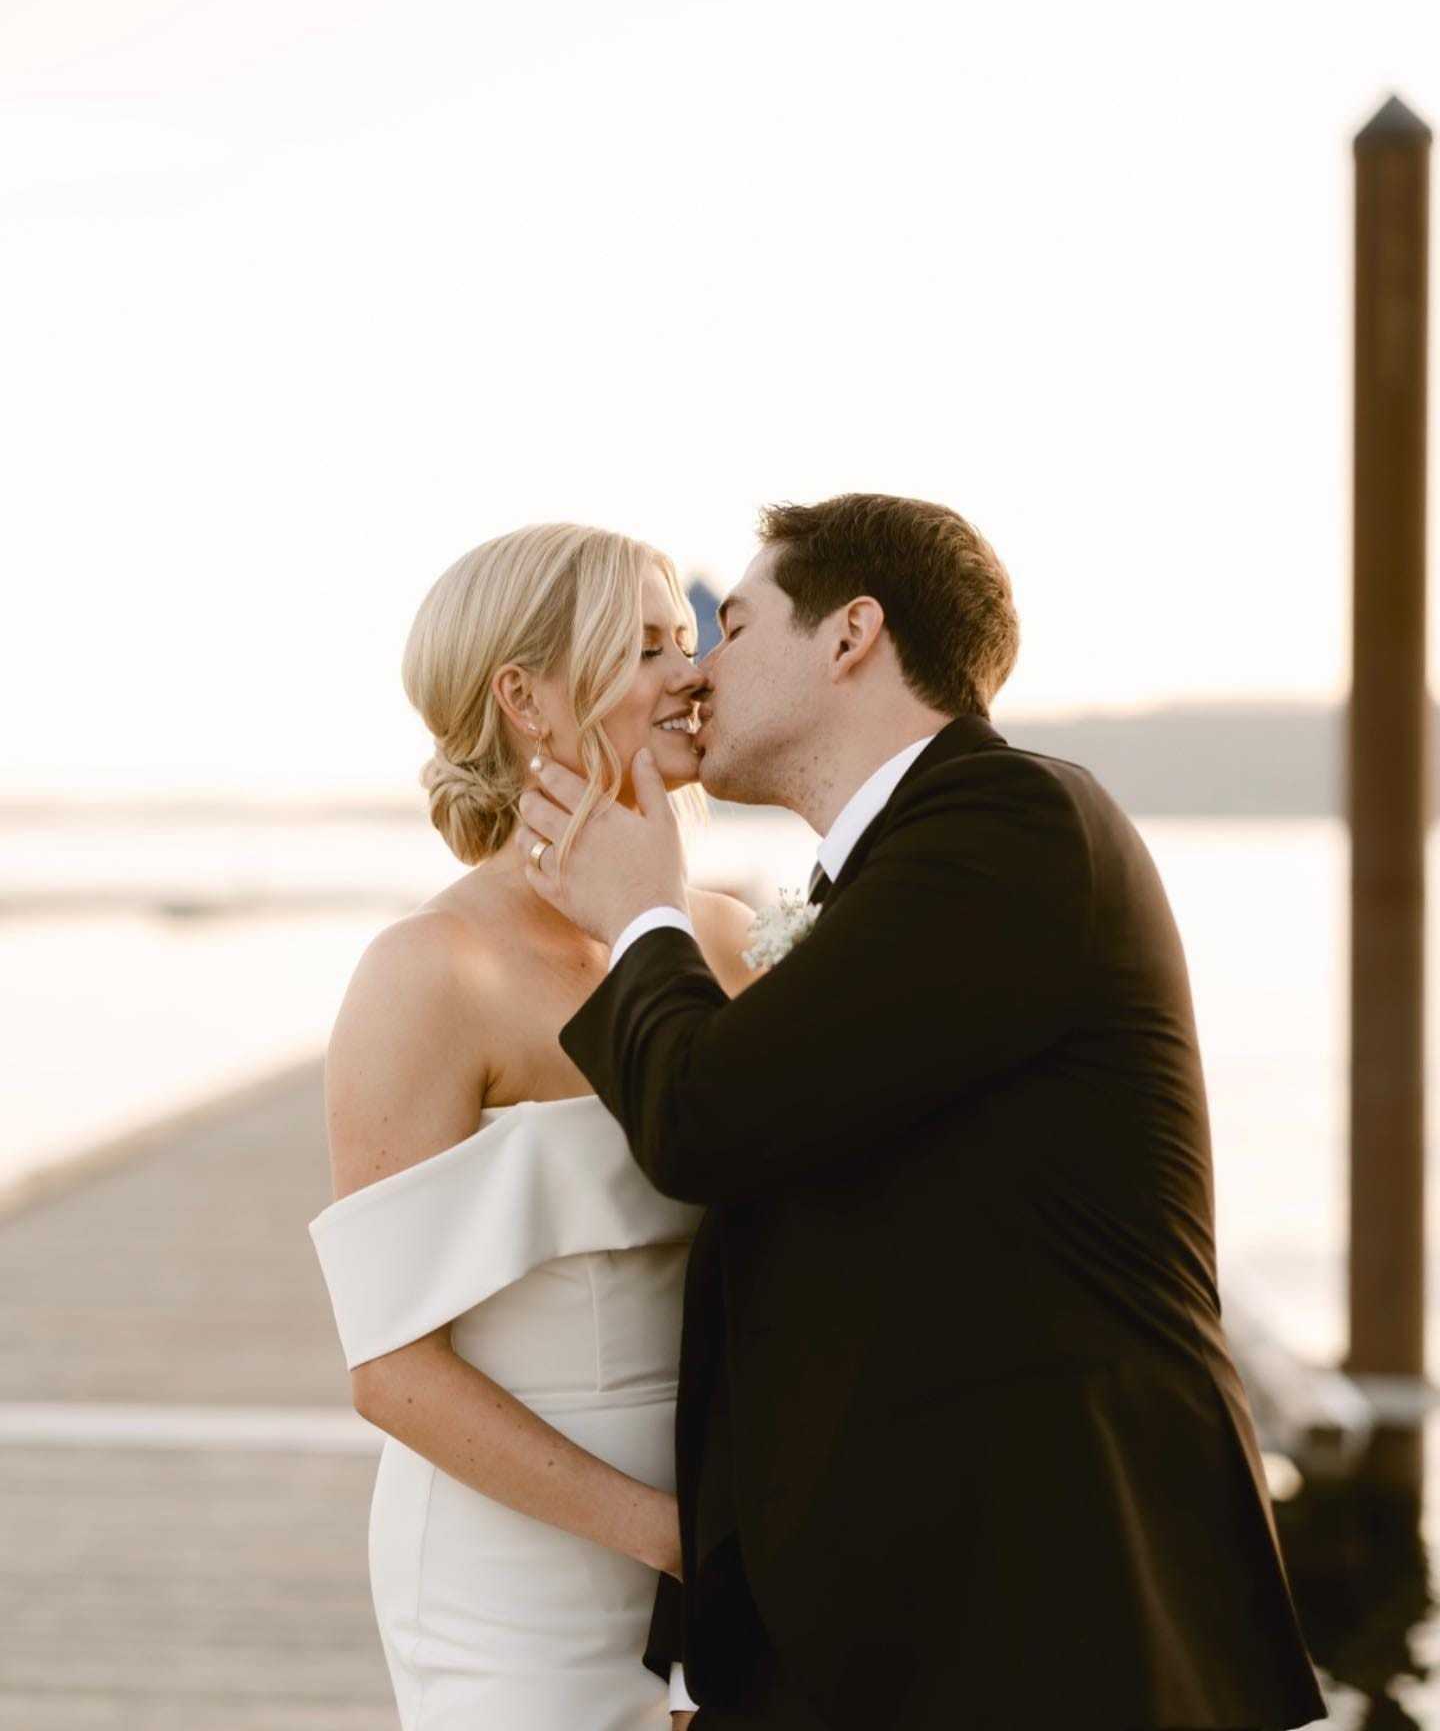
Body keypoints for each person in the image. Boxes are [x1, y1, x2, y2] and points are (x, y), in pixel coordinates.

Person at [517, 492, 1330, 1730]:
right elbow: (787, 1253)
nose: (697, 670)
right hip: (906, 1621)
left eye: (729, 626)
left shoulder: (1013, 826)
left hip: (1062, 1619)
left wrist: (642, 917)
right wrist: (710, 1658)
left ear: (851, 635)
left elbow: (704, 1122)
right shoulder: (895, 875)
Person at [309, 522, 753, 1729]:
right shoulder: (430, 974)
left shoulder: (719, 943)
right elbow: (392, 1371)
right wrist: (665, 1533)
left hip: (729, 1546)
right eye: (649, 647)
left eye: (689, 639)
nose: (693, 672)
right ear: (526, 700)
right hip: (515, 1575)